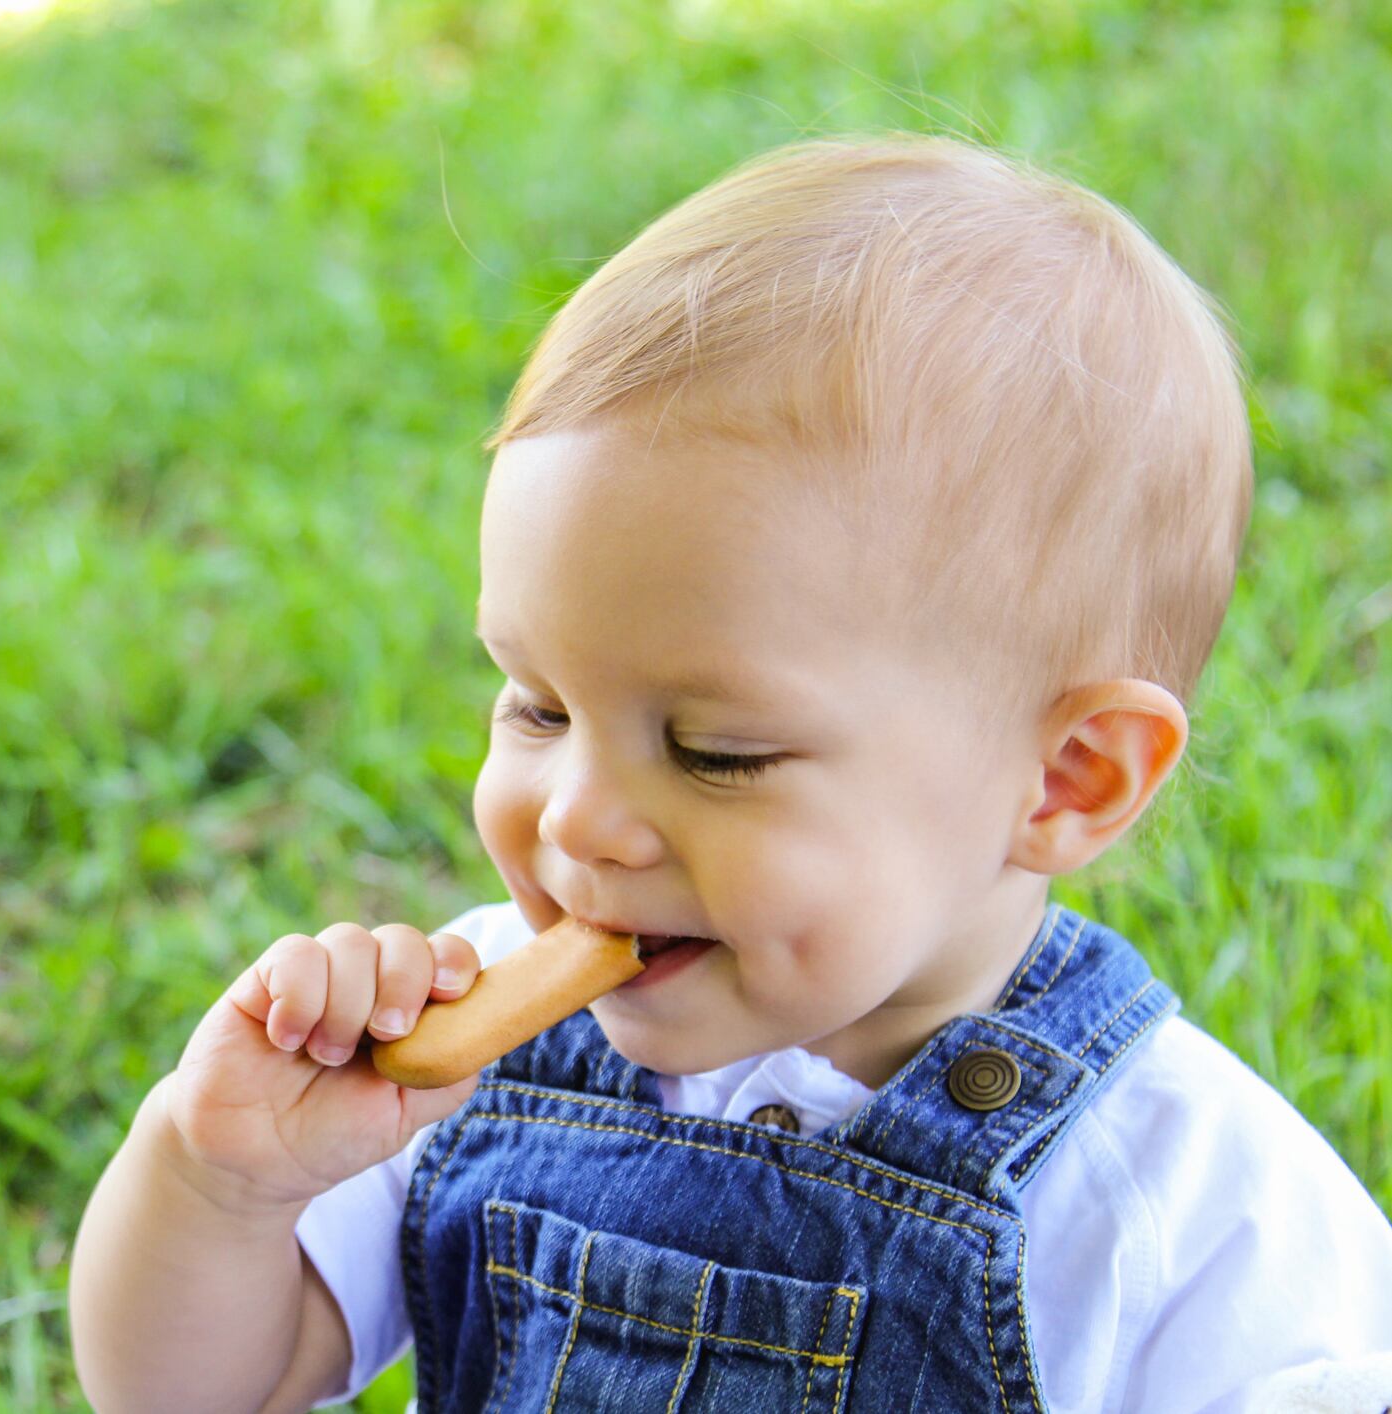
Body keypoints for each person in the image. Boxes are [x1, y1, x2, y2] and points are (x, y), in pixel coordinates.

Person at [67, 132, 1392, 1412]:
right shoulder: (452, 1063)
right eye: (536, 705)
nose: (577, 814)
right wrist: (220, 1182)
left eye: (714, 751)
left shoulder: (1187, 1205)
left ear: (1064, 779)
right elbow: (193, 1388)